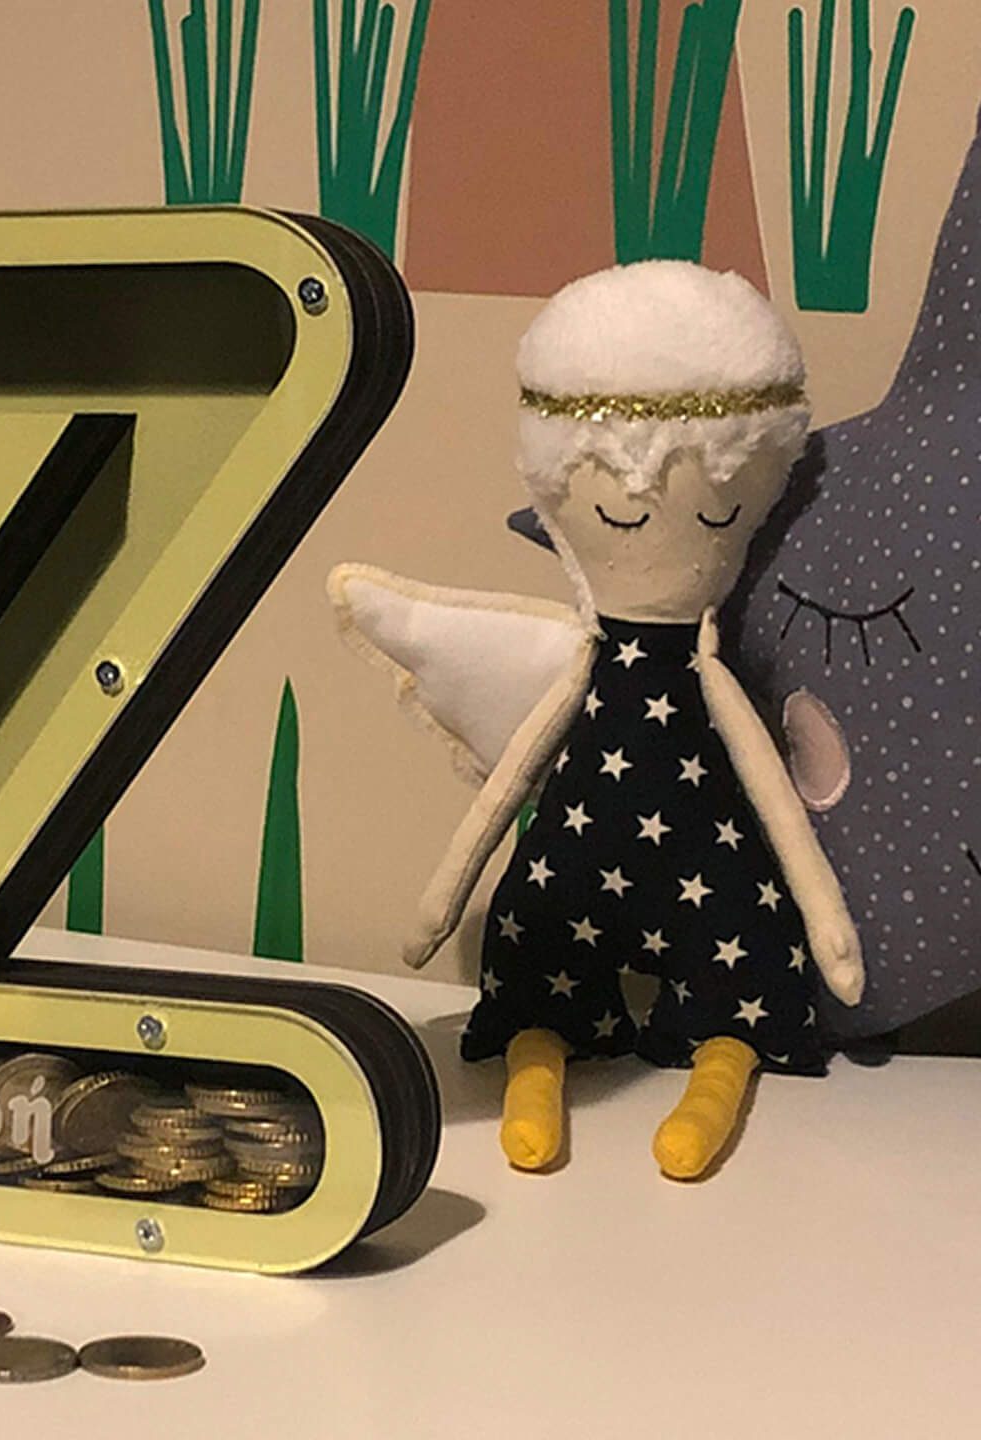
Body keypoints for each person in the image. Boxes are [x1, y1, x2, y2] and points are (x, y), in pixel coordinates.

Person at [332, 261, 863, 1179]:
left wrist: (830, 935)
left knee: (743, 959)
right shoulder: (588, 665)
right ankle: (538, 1051)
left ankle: (721, 1064)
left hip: (706, 875)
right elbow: (510, 783)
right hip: (577, 876)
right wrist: (441, 908)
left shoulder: (709, 675)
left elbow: (775, 804)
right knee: (535, 942)